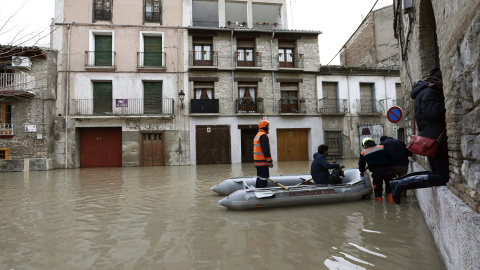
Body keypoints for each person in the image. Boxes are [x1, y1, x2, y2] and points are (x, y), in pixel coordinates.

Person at [389, 68, 449, 204]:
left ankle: (398, 182)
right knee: (442, 176)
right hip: (435, 140)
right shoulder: (429, 92)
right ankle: (401, 184)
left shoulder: (423, 93)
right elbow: (433, 112)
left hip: (431, 139)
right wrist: (449, 104)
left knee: (436, 173)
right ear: (438, 80)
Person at [358, 137, 395, 202]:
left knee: (377, 189)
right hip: (388, 170)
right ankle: (392, 206)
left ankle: (379, 207)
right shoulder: (382, 147)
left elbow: (361, 164)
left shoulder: (364, 152)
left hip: (376, 172)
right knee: (390, 187)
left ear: (364, 144)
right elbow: (390, 156)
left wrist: (362, 172)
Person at [254, 119, 273, 188]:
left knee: (259, 177)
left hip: (257, 163)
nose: (269, 127)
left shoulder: (257, 135)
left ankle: (257, 189)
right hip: (262, 163)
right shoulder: (263, 136)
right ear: (265, 126)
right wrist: (270, 161)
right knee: (264, 178)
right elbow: (265, 150)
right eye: (268, 126)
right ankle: (262, 193)